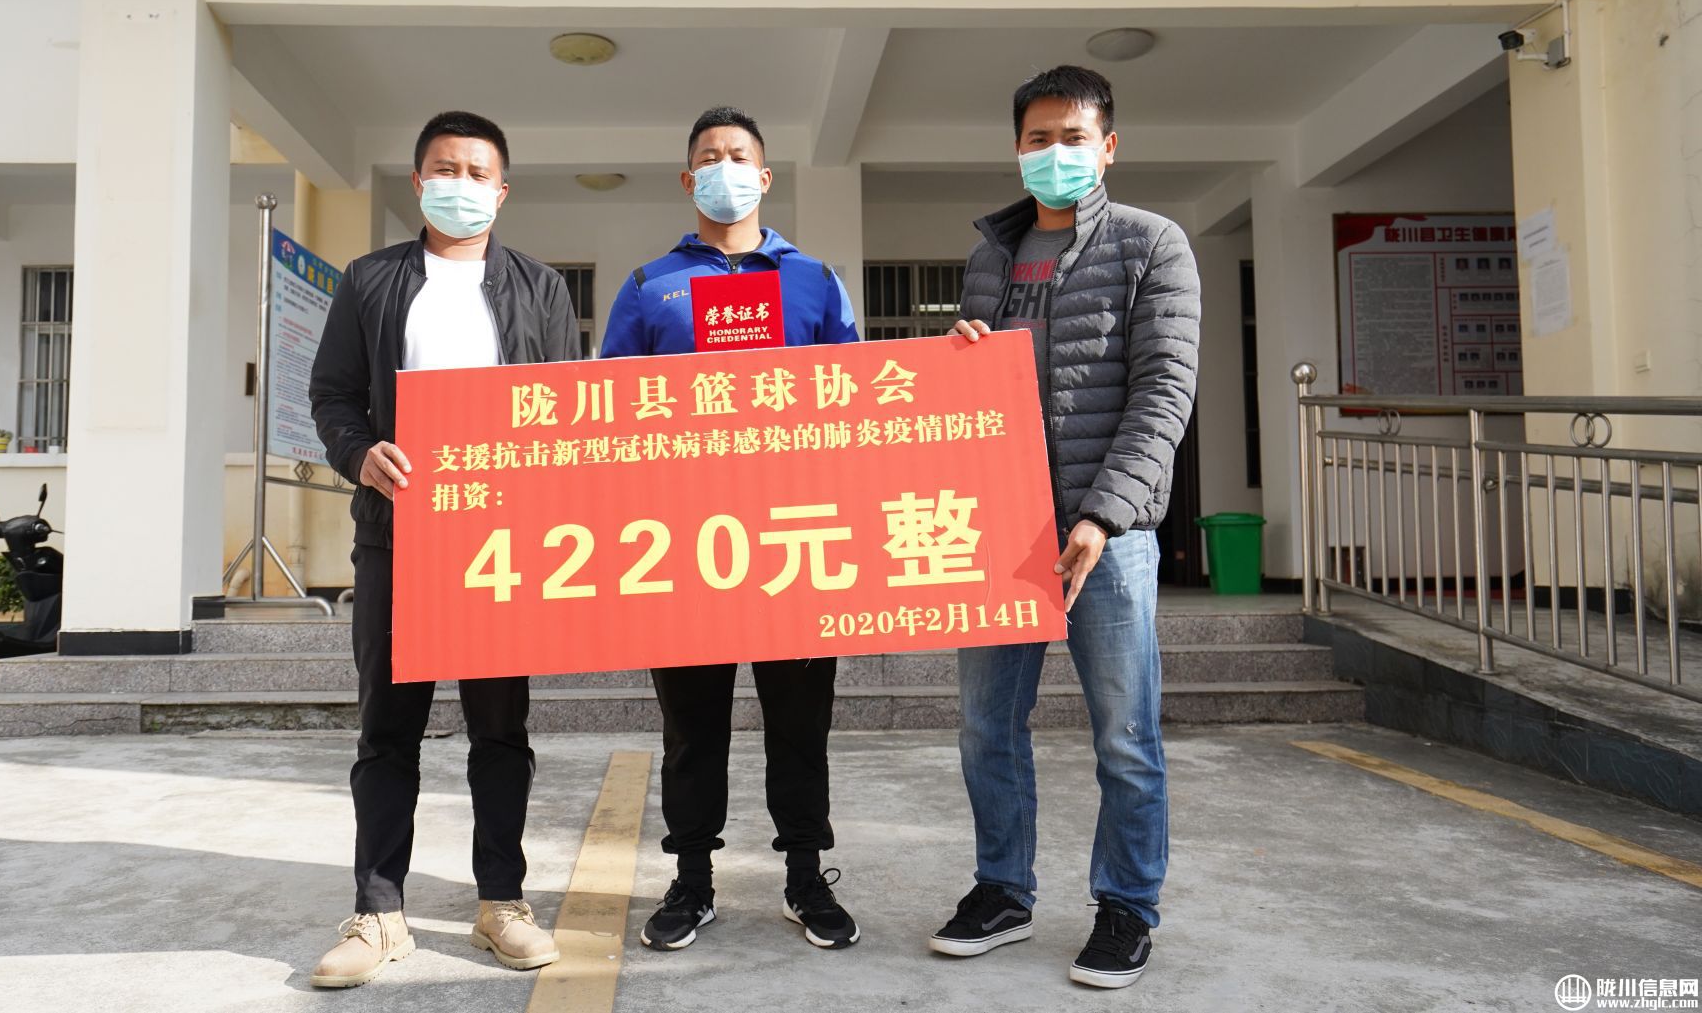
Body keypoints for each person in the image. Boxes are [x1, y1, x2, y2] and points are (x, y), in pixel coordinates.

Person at [926, 66, 1199, 990]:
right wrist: (956, 359)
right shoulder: (990, 258)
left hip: (1106, 540)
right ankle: (1002, 890)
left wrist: (1104, 513)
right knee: (984, 727)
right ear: (1017, 149)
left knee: (1124, 732)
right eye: (1038, 139)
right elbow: (970, 400)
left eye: (1073, 138)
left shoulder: (1151, 245)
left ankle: (1127, 906)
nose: (1055, 154)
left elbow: (1164, 392)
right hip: (1000, 532)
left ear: (1108, 147)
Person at [307, 110, 581, 988]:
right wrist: (360, 454)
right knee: (388, 729)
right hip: (399, 538)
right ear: (418, 180)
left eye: (476, 172)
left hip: (501, 542)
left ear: (501, 191)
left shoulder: (540, 287)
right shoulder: (372, 280)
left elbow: (567, 407)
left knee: (501, 728)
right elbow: (333, 395)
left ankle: (502, 901)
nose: (459, 184)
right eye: (444, 169)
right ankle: (378, 912)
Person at [598, 105, 862, 952]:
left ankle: (805, 875)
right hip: (683, 544)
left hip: (794, 538)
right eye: (709, 157)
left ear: (765, 176)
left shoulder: (814, 281)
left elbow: (859, 401)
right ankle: (692, 879)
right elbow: (605, 409)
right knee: (692, 729)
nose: (725, 168)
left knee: (800, 725)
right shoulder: (650, 286)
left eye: (739, 155)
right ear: (689, 180)